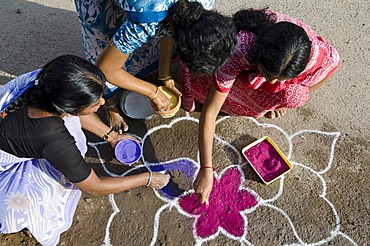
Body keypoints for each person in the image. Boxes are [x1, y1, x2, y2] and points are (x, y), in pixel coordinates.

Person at [0, 55, 170, 245]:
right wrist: (147, 179)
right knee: (51, 190)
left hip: (15, 131)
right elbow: (93, 187)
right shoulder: (53, 137)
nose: (103, 104)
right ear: (69, 108)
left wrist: (112, 136)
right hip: (4, 163)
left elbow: (74, 110)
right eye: (96, 104)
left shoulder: (49, 82)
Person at [179, 9, 342, 203]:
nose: (272, 84)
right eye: (267, 74)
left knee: (296, 95)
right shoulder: (240, 48)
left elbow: (335, 64)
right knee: (203, 87)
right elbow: (210, 112)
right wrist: (206, 169)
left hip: (264, 70)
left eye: (279, 79)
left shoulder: (314, 55)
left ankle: (270, 90)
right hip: (246, 65)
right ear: (257, 55)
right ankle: (254, 89)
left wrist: (285, 96)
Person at [74, 0, 236, 132]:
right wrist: (153, 92)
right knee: (102, 35)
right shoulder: (148, 17)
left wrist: (164, 73)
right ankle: (109, 103)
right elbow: (105, 68)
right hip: (146, 10)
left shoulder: (203, 6)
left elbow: (173, 28)